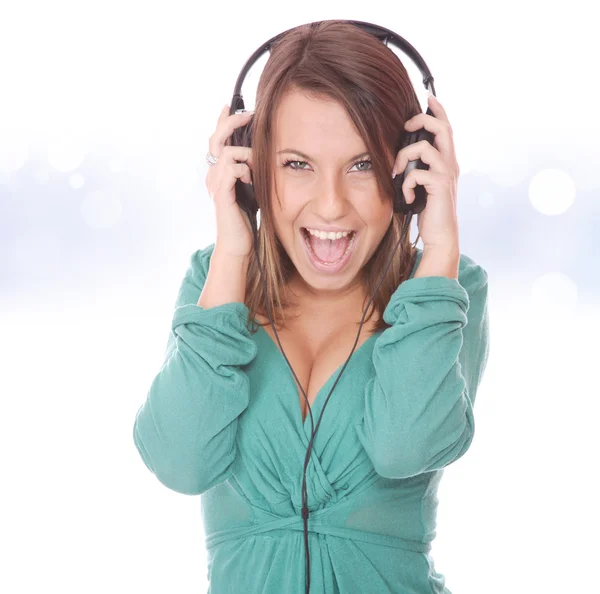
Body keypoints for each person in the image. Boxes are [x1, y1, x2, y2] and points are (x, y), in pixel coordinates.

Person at [133, 21, 490, 594]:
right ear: (253, 167)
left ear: (409, 170)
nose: (330, 205)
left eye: (363, 164)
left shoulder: (444, 285)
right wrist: (231, 249)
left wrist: (441, 245)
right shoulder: (218, 280)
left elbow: (408, 444)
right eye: (297, 164)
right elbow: (181, 461)